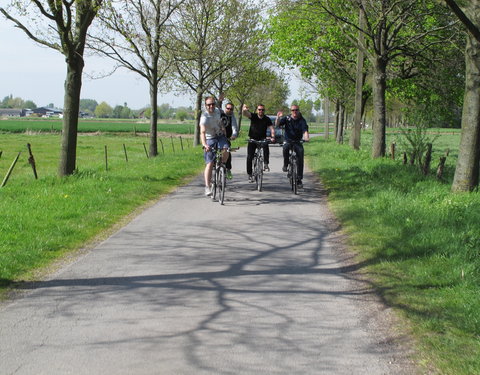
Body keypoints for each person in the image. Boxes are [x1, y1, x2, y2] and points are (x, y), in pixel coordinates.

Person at [200, 96, 230, 196]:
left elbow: (224, 115)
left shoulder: (218, 110)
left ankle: (223, 165)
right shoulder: (204, 118)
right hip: (210, 138)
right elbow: (202, 132)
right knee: (210, 163)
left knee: (226, 149)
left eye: (213, 104)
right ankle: (207, 187)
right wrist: (204, 144)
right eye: (209, 105)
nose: (211, 106)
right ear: (205, 106)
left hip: (220, 136)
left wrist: (223, 128)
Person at [276, 104, 310, 188]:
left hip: (297, 141)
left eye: (296, 110)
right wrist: (278, 117)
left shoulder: (302, 120)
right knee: (285, 148)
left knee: (300, 157)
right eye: (293, 110)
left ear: (298, 111)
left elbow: (305, 130)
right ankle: (285, 164)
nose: (294, 111)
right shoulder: (287, 118)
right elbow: (278, 124)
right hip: (288, 140)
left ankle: (299, 179)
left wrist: (306, 137)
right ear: (291, 111)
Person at [242, 103, 275, 182]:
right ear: (257, 110)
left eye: (262, 110)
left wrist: (273, 136)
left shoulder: (267, 119)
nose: (261, 111)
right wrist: (244, 110)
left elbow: (272, 128)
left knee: (266, 146)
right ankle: (250, 173)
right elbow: (246, 114)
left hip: (262, 138)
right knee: (250, 156)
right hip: (253, 139)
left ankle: (266, 164)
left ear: (264, 110)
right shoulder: (253, 116)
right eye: (259, 109)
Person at [223, 102, 238, 179]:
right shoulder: (220, 114)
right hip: (218, 136)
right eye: (228, 108)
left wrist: (234, 135)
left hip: (227, 138)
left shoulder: (232, 117)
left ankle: (228, 169)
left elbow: (234, 127)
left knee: (227, 151)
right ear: (225, 108)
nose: (229, 110)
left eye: (231, 109)